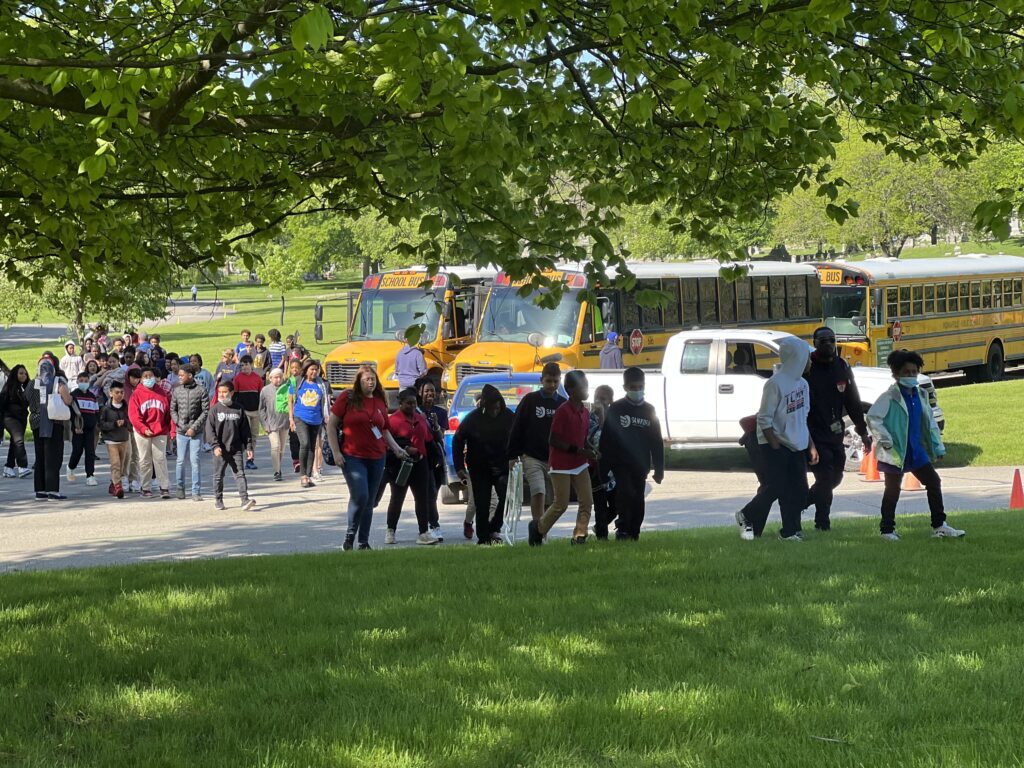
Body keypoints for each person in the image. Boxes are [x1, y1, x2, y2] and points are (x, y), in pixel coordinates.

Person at [867, 349, 965, 541]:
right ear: (896, 374)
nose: (911, 375)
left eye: (914, 372)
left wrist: (938, 447)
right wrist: (886, 440)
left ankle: (939, 525)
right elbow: (873, 418)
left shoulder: (921, 394)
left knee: (934, 482)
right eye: (906, 372)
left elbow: (929, 424)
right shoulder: (890, 397)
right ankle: (887, 530)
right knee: (892, 489)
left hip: (916, 450)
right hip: (895, 451)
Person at [736, 337, 817, 541]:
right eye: (807, 357)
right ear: (796, 358)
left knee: (799, 490)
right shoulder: (775, 384)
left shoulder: (803, 384)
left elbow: (802, 418)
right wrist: (774, 444)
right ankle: (747, 514)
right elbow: (765, 418)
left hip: (796, 444)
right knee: (777, 487)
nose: (810, 361)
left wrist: (810, 445)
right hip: (775, 443)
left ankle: (790, 530)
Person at [327, 365, 410, 551]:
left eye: (373, 379)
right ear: (359, 381)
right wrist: (336, 452)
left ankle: (363, 542)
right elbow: (331, 425)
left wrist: (396, 449)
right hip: (352, 456)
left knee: (370, 500)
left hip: (377, 456)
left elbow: (384, 429)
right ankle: (350, 535)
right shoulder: (347, 398)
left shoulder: (380, 400)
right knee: (360, 495)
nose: (370, 382)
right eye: (366, 379)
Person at [804, 327, 872, 531]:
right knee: (824, 479)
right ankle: (822, 523)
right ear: (815, 343)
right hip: (813, 433)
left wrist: (863, 432)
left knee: (835, 478)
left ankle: (800, 502)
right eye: (823, 341)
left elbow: (853, 402)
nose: (828, 344)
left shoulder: (842, 366)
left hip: (835, 433)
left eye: (832, 340)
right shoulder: (806, 368)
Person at [528, 370, 596, 546]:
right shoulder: (563, 411)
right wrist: (579, 451)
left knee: (586, 501)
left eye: (587, 385)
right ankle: (538, 528)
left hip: (580, 464)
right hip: (561, 464)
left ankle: (579, 535)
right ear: (570, 390)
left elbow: (584, 438)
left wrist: (592, 450)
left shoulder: (585, 411)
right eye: (583, 386)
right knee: (561, 504)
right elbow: (554, 439)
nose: (586, 389)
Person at [598, 367, 665, 540]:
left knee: (638, 500)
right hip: (621, 464)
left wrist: (659, 470)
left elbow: (656, 442)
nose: (637, 391)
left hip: (641, 465)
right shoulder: (617, 409)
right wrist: (603, 469)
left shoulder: (649, 410)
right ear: (625, 387)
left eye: (639, 387)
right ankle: (623, 529)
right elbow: (606, 440)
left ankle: (634, 531)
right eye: (633, 387)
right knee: (625, 494)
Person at [453, 384, 516, 545]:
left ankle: (494, 527)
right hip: (479, 467)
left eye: (497, 408)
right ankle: (483, 537)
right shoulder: (473, 418)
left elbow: (518, 437)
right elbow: (458, 440)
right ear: (484, 407)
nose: (494, 412)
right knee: (482, 503)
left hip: (501, 466)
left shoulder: (508, 416)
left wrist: (515, 457)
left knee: (507, 498)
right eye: (491, 409)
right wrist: (459, 466)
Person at [506, 362, 565, 522]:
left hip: (555, 458)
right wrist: (513, 455)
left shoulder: (562, 404)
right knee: (538, 491)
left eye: (556, 381)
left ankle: (543, 527)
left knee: (555, 499)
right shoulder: (530, 400)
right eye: (548, 381)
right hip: (532, 456)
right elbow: (517, 427)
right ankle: (537, 530)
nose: (552, 385)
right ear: (541, 380)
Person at [384, 388, 441, 546]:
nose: (412, 406)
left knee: (422, 499)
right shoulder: (393, 421)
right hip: (400, 463)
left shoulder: (420, 418)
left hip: (420, 463)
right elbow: (387, 443)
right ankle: (390, 530)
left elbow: (428, 439)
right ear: (400, 403)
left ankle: (423, 532)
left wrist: (434, 458)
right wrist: (406, 448)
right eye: (408, 403)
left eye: (414, 403)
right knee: (397, 498)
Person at [205, 381, 257, 511]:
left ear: (232, 393)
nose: (222, 395)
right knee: (218, 475)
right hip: (220, 450)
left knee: (240, 474)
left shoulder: (239, 409)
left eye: (225, 392)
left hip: (236, 448)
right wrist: (215, 446)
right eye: (220, 392)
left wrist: (249, 447)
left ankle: (244, 500)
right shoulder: (214, 410)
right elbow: (209, 431)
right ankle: (218, 500)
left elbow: (245, 430)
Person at [28, 358, 73, 500]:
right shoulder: (57, 382)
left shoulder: (32, 383)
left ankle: (40, 491)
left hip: (36, 423)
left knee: (40, 456)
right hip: (53, 423)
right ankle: (52, 490)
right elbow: (68, 400)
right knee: (53, 457)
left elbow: (26, 398)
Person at [128, 367, 172, 499]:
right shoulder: (136, 394)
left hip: (160, 430)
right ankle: (145, 487)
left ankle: (164, 487)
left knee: (160, 458)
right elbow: (133, 415)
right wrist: (143, 428)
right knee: (145, 459)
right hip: (143, 432)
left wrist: (169, 429)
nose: (148, 379)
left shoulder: (162, 393)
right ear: (141, 379)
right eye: (145, 376)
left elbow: (168, 413)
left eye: (150, 376)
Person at [169, 364, 209, 501]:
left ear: (190, 376)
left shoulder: (201, 390)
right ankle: (180, 488)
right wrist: (179, 424)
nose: (179, 377)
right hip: (181, 431)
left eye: (182, 375)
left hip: (196, 432)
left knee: (195, 460)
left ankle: (196, 491)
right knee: (180, 460)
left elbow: (205, 411)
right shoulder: (177, 391)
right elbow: (172, 410)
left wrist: (194, 428)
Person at [289, 359, 327, 487]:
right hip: (300, 417)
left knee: (311, 446)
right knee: (304, 443)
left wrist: (326, 417)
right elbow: (290, 400)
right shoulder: (298, 382)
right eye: (312, 369)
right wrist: (291, 419)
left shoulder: (321, 384)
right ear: (306, 370)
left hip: (316, 419)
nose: (315, 372)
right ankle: (303, 475)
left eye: (316, 369)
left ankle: (309, 475)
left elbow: (325, 402)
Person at [418, 380, 448, 541]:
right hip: (421, 457)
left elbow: (440, 436)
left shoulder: (441, 412)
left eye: (432, 391)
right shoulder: (415, 410)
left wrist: (435, 424)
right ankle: (432, 525)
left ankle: (432, 524)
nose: (430, 394)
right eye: (426, 391)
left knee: (433, 494)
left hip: (435, 457)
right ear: (420, 393)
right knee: (427, 494)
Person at [590, 384, 618, 539]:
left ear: (610, 401)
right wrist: (599, 416)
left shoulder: (616, 416)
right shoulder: (589, 417)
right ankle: (602, 537)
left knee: (616, 506)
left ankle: (600, 526)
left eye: (602, 399)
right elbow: (596, 440)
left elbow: (614, 439)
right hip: (596, 469)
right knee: (600, 506)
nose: (598, 401)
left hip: (613, 470)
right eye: (596, 398)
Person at [99, 381, 131, 498]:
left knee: (122, 465)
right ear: (111, 393)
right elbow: (101, 424)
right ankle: (118, 487)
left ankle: (113, 484)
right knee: (115, 464)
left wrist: (125, 423)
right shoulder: (105, 408)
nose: (119, 395)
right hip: (111, 440)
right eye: (117, 392)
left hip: (124, 439)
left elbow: (131, 422)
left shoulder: (126, 407)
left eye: (122, 392)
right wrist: (114, 424)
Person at [67, 371, 100, 485]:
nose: (84, 383)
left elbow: (96, 412)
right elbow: (71, 413)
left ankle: (90, 475)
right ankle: (71, 466)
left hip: (90, 429)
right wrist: (75, 426)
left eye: (86, 381)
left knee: (90, 452)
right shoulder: (74, 395)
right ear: (77, 382)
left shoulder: (92, 396)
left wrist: (96, 424)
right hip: (78, 428)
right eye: (81, 381)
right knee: (77, 450)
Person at [233, 355, 264, 470]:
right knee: (246, 436)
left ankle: (250, 459)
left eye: (246, 364)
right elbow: (234, 396)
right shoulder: (237, 378)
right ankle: (243, 458)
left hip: (255, 411)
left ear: (252, 365)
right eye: (242, 365)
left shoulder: (257, 378)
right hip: (244, 411)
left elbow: (262, 395)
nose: (244, 367)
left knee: (254, 436)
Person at [1, 365, 32, 478]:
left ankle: (8, 467)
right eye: (21, 373)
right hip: (9, 418)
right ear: (15, 374)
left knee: (14, 442)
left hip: (22, 418)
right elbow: (1, 404)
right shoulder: (9, 387)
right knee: (19, 440)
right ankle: (22, 466)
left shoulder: (27, 387)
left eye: (25, 373)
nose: (23, 375)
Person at [259, 368, 290, 481]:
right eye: (275, 377)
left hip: (284, 422)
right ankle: (276, 471)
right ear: (270, 378)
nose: (278, 379)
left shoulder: (287, 388)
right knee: (275, 446)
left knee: (281, 448)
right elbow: (261, 409)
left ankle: (279, 467)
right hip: (271, 424)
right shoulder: (265, 390)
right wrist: (265, 424)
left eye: (280, 377)